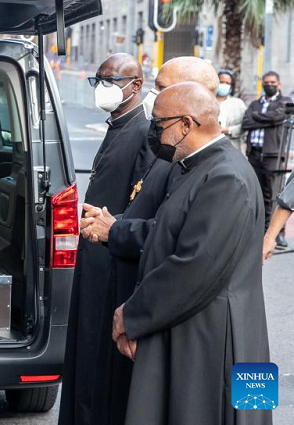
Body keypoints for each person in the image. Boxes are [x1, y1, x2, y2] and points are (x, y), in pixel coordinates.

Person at [112, 82, 270, 425]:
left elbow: (194, 267)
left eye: (159, 125)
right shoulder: (198, 167)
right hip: (203, 325)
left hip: (218, 335)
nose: (154, 133)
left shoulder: (226, 176)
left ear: (186, 124)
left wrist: (131, 313)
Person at [80, 56, 220, 425]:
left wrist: (135, 314)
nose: (156, 102)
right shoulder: (182, 156)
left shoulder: (222, 174)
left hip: (184, 322)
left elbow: (186, 254)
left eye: (164, 88)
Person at [58, 53, 153, 425]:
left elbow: (141, 208)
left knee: (99, 362)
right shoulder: (117, 123)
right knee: (83, 353)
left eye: (111, 80)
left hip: (113, 262)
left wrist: (110, 232)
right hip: (93, 258)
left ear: (136, 85)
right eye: (98, 79)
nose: (103, 88)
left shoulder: (143, 133)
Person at [242, 70, 291, 247]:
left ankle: (278, 234)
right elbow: (245, 122)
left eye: (272, 82)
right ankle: (261, 232)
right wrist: (265, 120)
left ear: (278, 84)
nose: (268, 85)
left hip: (273, 156)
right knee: (257, 194)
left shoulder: (285, 102)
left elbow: (278, 116)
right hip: (254, 154)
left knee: (275, 195)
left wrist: (257, 118)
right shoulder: (255, 103)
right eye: (266, 82)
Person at [216, 69, 247, 149]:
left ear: (231, 86)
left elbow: (245, 124)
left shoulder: (238, 104)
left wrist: (228, 130)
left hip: (231, 145)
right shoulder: (207, 101)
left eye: (227, 83)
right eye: (221, 82)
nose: (224, 85)